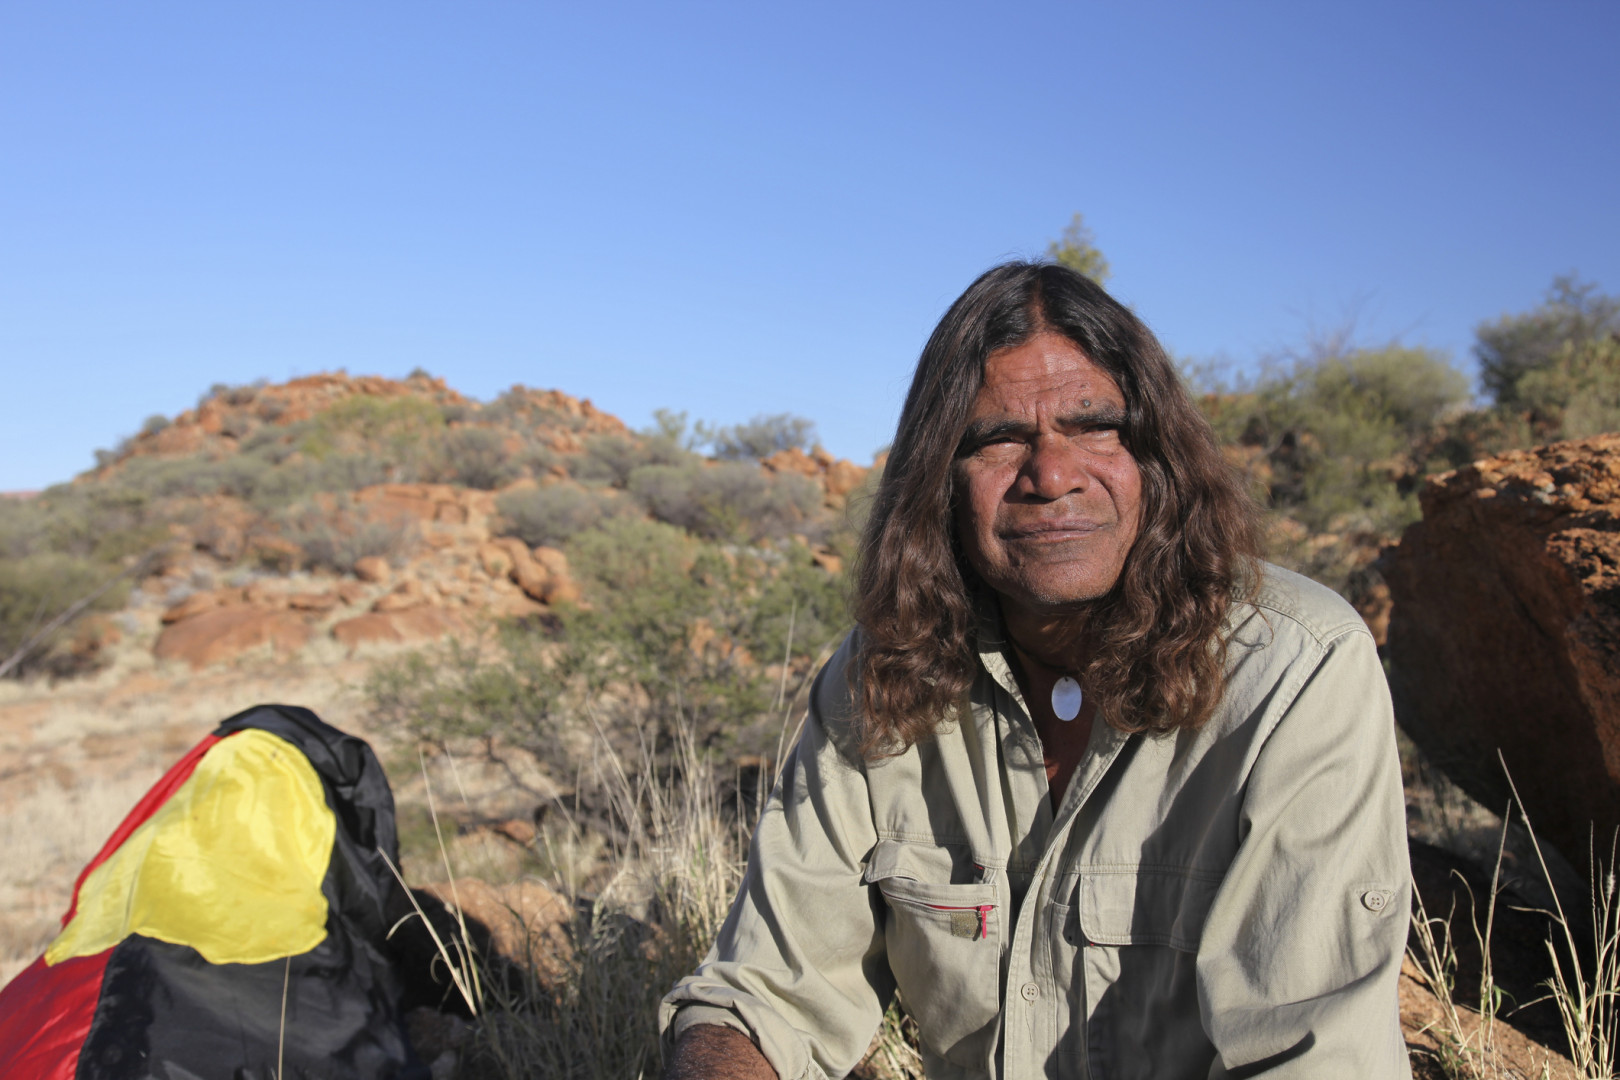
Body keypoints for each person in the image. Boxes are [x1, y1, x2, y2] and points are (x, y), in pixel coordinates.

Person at [658, 262, 1411, 1079]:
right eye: (998, 438)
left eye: (1093, 426)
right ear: (939, 480)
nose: (1051, 476)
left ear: (1156, 457)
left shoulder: (1298, 671)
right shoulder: (883, 675)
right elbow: (763, 998)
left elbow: (1313, 1058)